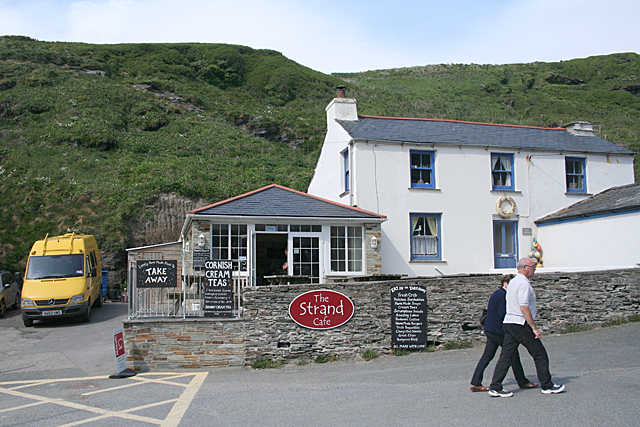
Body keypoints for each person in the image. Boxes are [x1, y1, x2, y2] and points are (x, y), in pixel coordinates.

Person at [488, 258, 565, 397]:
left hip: (509, 322)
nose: (535, 268)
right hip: (520, 323)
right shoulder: (523, 284)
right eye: (532, 266)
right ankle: (547, 385)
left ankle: (495, 386)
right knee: (539, 354)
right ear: (524, 267)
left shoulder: (513, 282)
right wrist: (534, 328)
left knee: (506, 356)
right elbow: (524, 307)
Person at [470, 274, 538, 392]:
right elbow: (503, 313)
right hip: (498, 331)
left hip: (491, 329)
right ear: (505, 284)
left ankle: (476, 382)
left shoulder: (497, 293)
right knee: (512, 355)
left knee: (487, 356)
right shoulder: (502, 295)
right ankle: (522, 382)